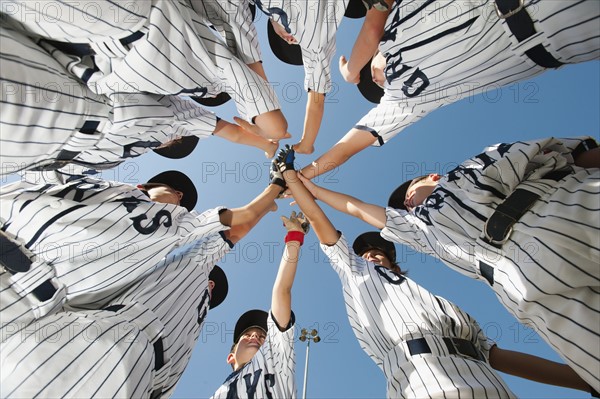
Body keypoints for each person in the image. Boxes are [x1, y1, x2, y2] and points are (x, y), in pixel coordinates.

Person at [280, 135, 600, 392]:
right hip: (427, 376)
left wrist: (582, 381)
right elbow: (354, 211)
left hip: (559, 210)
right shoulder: (403, 242)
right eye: (403, 206)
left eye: (409, 192)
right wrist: (302, 185)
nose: (406, 203)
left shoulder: (467, 173)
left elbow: (565, 157)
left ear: (432, 176)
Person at [0, 166, 285, 397]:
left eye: (215, 289)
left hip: (135, 366)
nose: (211, 286)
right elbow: (233, 230)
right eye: (175, 191)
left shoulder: (193, 305)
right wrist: (270, 195)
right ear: (144, 187)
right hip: (86, 330)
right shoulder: (178, 253)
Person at [300, 0, 599, 179]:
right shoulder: (402, 100)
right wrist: (303, 174)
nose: (375, 82)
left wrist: (351, 70)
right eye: (372, 85)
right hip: (558, 37)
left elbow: (373, 24)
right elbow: (345, 149)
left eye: (369, 74)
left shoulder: (397, 13)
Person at [0, 25, 277, 176]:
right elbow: (228, 132)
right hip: (60, 117)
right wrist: (265, 143)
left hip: (52, 131)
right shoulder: (170, 119)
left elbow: (228, 132)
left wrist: (265, 143)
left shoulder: (121, 155)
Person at [2, 0, 289, 140]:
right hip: (113, 24)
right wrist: (264, 134)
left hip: (81, 39)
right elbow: (274, 126)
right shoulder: (216, 68)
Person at [211, 211, 308, 398]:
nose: (255, 335)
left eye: (263, 335)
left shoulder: (276, 361)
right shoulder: (218, 394)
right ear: (230, 357)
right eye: (246, 335)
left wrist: (294, 240)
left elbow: (281, 291)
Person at [253, 0, 356, 154]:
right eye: (294, 43)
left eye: (283, 39)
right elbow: (316, 99)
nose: (289, 40)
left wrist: (306, 144)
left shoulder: (270, 7)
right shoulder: (315, 38)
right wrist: (306, 143)